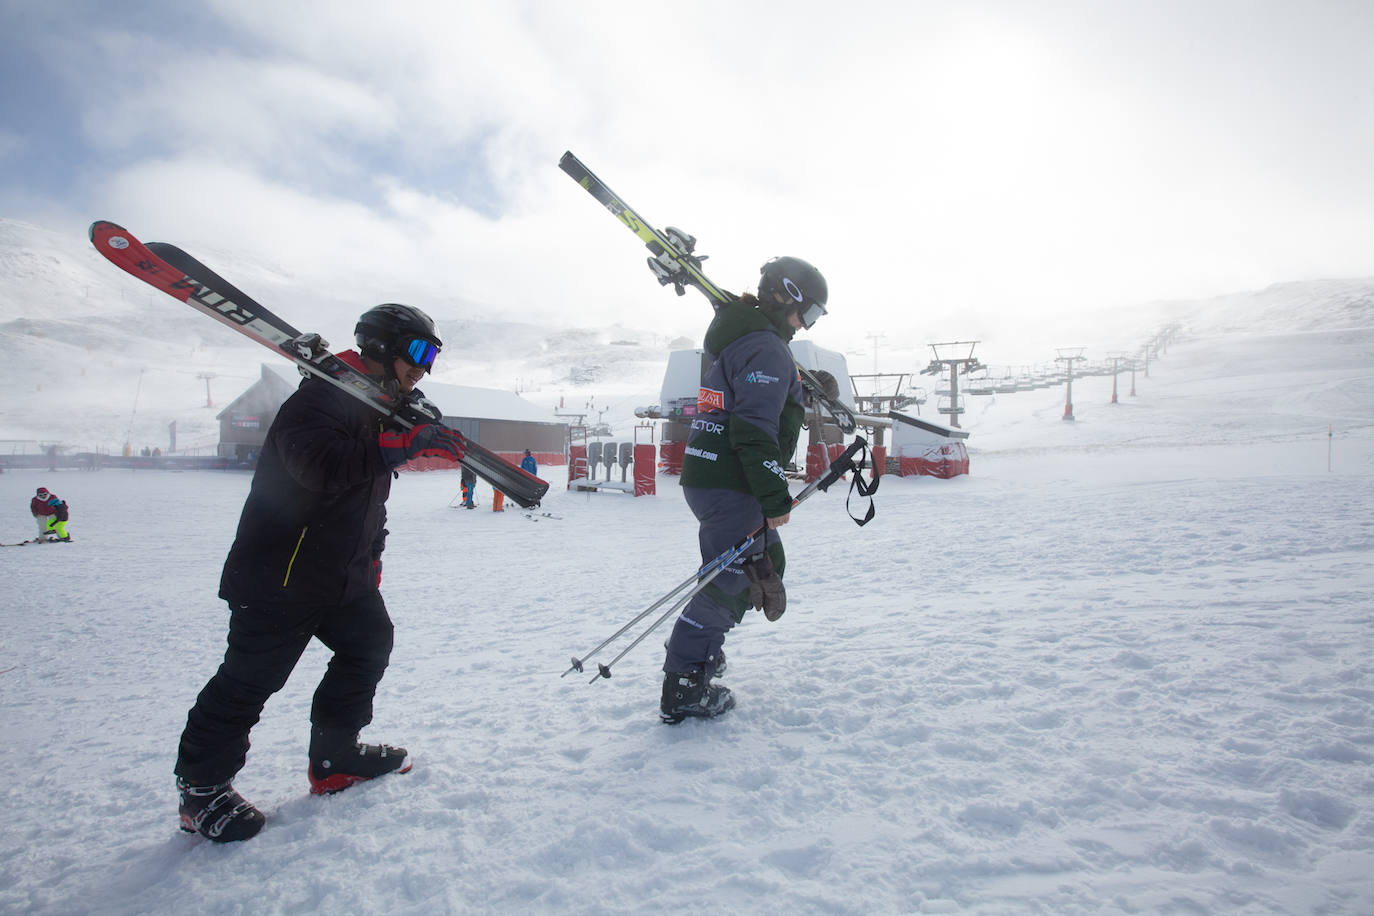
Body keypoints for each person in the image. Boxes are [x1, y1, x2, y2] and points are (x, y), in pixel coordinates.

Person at [174, 303, 466, 843]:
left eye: (433, 358)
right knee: (250, 680)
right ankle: (202, 790)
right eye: (419, 353)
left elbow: (367, 501)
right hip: (279, 576)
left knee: (369, 644)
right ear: (383, 347)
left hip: (341, 576)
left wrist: (371, 558)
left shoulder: (381, 410)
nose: (423, 368)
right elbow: (320, 467)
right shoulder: (317, 399)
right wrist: (400, 444)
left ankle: (335, 758)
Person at [660, 257, 827, 724]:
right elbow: (754, 428)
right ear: (786, 297)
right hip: (733, 482)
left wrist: (799, 392)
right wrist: (774, 496)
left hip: (711, 476)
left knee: (758, 566)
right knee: (735, 581)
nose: (804, 325)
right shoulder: (767, 348)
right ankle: (685, 682)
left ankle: (698, 648)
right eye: (807, 314)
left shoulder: (742, 342)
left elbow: (752, 402)